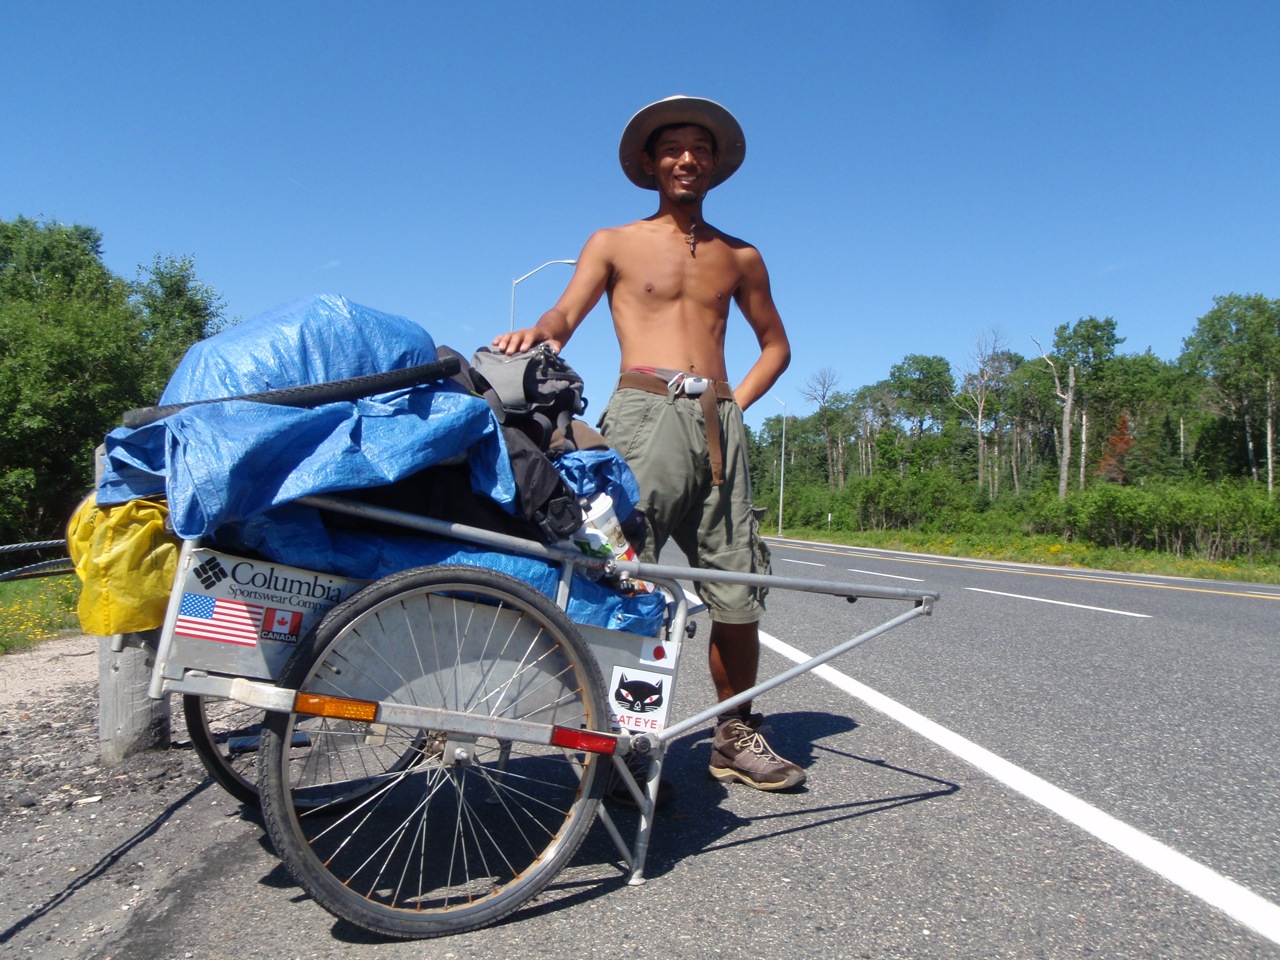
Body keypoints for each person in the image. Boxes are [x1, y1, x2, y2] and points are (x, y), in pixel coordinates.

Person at [492, 95, 803, 792]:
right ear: (650, 163)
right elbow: (564, 313)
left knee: (738, 588)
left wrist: (733, 408)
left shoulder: (741, 256)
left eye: (699, 149)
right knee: (621, 575)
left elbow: (776, 346)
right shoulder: (614, 242)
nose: (687, 159)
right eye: (673, 149)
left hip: (721, 424)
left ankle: (734, 732)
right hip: (643, 411)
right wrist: (535, 336)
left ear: (716, 164)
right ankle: (617, 739)